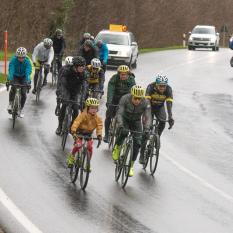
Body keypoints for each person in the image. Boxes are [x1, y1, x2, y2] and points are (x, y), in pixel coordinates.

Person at [112, 85, 151, 177]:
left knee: (137, 143)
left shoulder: (145, 102)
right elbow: (120, 113)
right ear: (131, 96)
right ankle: (117, 148)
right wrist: (120, 124)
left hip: (136, 122)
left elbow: (147, 117)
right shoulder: (125, 98)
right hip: (124, 119)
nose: (137, 101)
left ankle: (131, 166)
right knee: (124, 132)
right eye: (135, 98)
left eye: (139, 99)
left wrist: (146, 128)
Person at [139, 74, 174, 163]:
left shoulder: (168, 89)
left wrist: (170, 117)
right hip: (149, 107)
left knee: (163, 121)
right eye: (160, 86)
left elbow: (169, 104)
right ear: (156, 84)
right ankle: (142, 154)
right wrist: (147, 118)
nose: (162, 88)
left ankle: (156, 138)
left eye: (164, 86)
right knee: (146, 130)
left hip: (159, 107)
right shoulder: (150, 87)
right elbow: (146, 102)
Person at [55, 56, 88, 135]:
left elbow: (84, 87)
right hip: (66, 88)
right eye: (81, 67)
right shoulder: (66, 70)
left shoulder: (83, 73)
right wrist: (61, 94)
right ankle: (59, 126)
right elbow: (62, 83)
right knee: (65, 104)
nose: (83, 68)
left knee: (76, 107)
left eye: (83, 66)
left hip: (76, 90)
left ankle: (72, 126)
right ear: (75, 66)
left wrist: (82, 99)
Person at [66, 97, 103, 168]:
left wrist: (99, 135)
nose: (94, 110)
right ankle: (71, 156)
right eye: (92, 108)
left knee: (89, 147)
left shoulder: (97, 118)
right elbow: (76, 122)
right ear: (88, 108)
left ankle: (87, 163)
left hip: (88, 134)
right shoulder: (83, 115)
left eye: (95, 108)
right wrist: (73, 131)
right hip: (79, 132)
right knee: (78, 145)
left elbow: (99, 126)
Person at [103, 65, 136, 143]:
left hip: (124, 99)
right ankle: (107, 134)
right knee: (108, 115)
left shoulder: (131, 80)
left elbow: (130, 94)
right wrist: (109, 102)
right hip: (115, 98)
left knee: (124, 114)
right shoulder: (114, 78)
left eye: (125, 74)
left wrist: (129, 104)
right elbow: (110, 90)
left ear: (128, 74)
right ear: (118, 74)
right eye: (121, 74)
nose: (123, 76)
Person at [7, 47, 32, 118]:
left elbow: (28, 72)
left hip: (24, 77)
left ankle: (20, 109)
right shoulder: (13, 60)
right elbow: (11, 70)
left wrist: (27, 81)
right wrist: (10, 79)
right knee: (13, 88)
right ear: (16, 56)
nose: (21, 59)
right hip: (15, 76)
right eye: (19, 57)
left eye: (22, 57)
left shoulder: (27, 61)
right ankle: (10, 103)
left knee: (24, 93)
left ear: (25, 56)